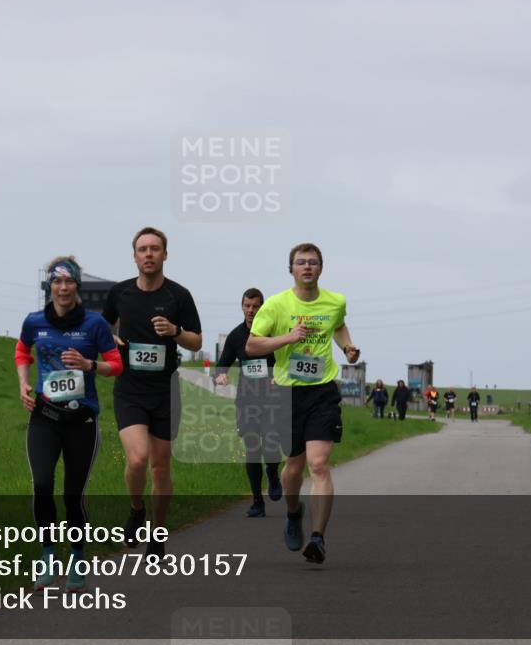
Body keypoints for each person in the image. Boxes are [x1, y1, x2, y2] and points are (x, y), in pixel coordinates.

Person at [15, 256, 123, 593]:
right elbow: (22, 352)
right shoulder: (34, 321)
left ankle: (77, 557)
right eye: (57, 282)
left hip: (82, 420)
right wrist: (23, 384)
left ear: (77, 286)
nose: (63, 288)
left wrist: (90, 364)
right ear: (50, 285)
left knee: (73, 494)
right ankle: (48, 556)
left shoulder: (94, 325)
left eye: (69, 282)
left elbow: (116, 365)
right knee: (42, 484)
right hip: (45, 416)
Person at [247, 242, 360, 564]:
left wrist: (348, 347)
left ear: (320, 268)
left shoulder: (335, 301)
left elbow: (337, 325)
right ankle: (293, 511)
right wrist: (288, 338)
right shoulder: (276, 306)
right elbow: (253, 345)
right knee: (292, 469)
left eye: (312, 262)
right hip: (287, 392)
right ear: (291, 269)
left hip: (322, 390)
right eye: (301, 262)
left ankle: (318, 537)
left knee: (319, 464)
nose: (307, 267)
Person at [103, 227, 202, 558]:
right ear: (134, 256)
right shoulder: (119, 294)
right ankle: (136, 509)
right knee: (137, 458)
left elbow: (197, 341)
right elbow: (100, 327)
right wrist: (111, 339)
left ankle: (158, 535)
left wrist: (175, 331)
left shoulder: (179, 296)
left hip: (165, 391)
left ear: (164, 255)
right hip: (130, 390)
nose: (148, 254)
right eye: (142, 249)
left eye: (154, 249)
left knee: (161, 467)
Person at [214, 288, 282, 518]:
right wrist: (221, 375)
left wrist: (277, 375)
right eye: (247, 306)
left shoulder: (273, 333)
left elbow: (286, 361)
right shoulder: (235, 336)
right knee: (252, 450)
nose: (251, 310)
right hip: (247, 400)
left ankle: (272, 472)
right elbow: (222, 364)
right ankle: (257, 502)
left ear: (263, 307)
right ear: (242, 306)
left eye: (256, 306)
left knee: (271, 443)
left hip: (272, 400)